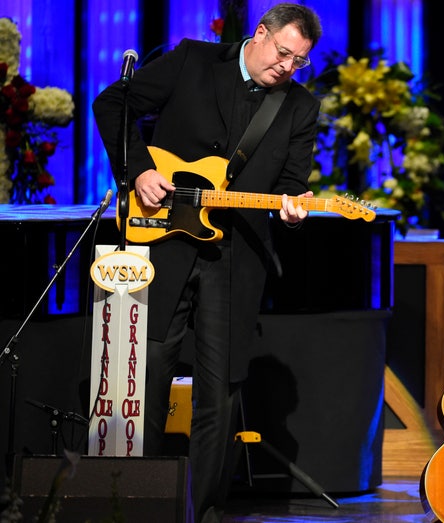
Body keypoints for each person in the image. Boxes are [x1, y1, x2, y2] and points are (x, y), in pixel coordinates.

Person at [92, 4, 322, 521]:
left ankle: (207, 512)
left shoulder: (301, 107)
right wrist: (138, 172)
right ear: (259, 35)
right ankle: (134, 504)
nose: (287, 67)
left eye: (299, 61)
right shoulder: (194, 60)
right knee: (146, 380)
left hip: (235, 259)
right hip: (164, 243)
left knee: (218, 395)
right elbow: (112, 104)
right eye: (283, 53)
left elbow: (290, 185)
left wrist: (292, 211)